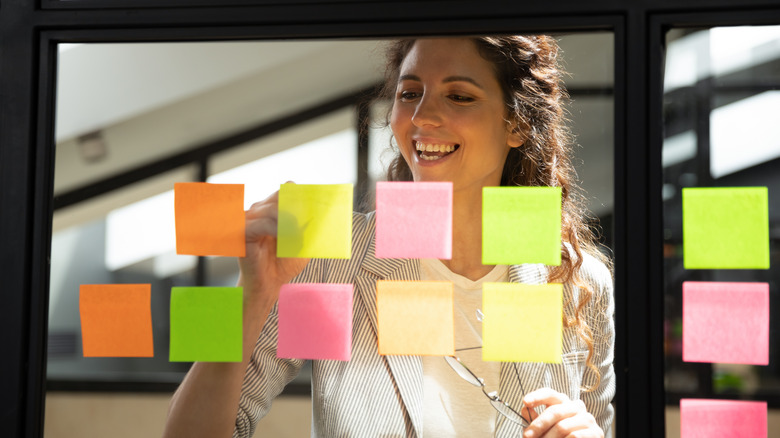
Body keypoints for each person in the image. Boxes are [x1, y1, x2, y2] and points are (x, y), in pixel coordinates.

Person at [163, 35, 615, 438]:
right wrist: (251, 297)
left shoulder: (577, 282)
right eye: (410, 93)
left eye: (459, 96)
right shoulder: (333, 259)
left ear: (516, 125)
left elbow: (599, 425)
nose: (422, 116)